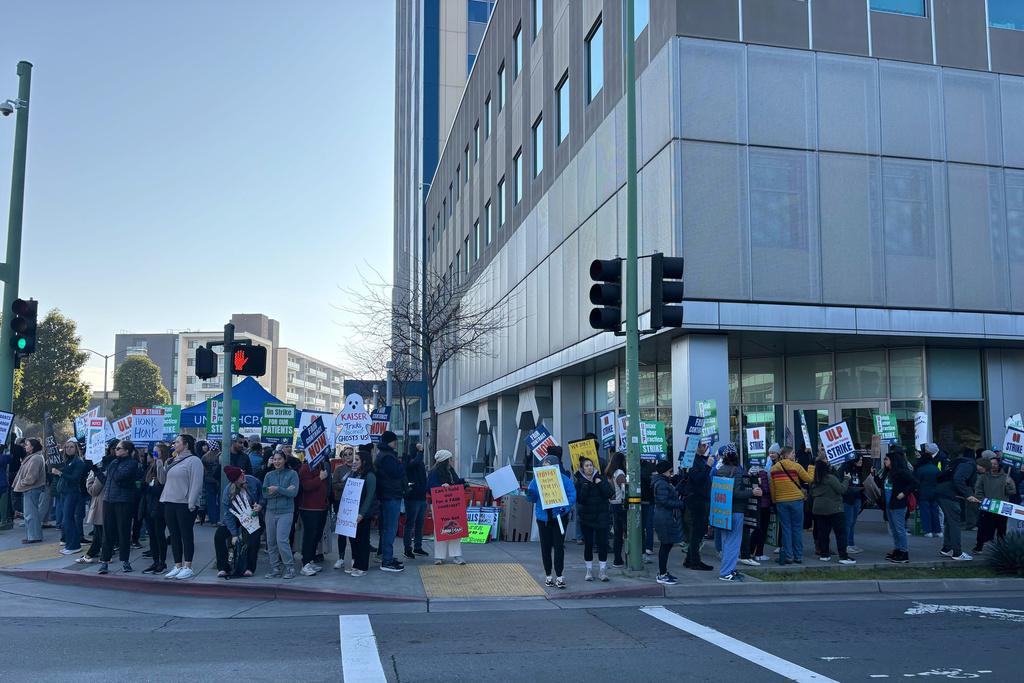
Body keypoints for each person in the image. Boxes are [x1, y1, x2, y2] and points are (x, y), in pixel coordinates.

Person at [526, 450, 576, 588]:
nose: (544, 466)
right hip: (543, 518)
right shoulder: (536, 480)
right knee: (545, 547)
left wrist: (564, 508)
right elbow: (532, 497)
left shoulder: (564, 479)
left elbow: (572, 495)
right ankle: (548, 575)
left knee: (559, 546)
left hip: (559, 517)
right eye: (543, 464)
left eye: (547, 463)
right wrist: (529, 493)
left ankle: (559, 575)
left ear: (554, 465)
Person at [160, 434, 204, 580]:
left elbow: (196, 482)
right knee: (174, 535)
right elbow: (162, 479)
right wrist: (160, 464)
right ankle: (177, 565)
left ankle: (188, 566)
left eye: (177, 442)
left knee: (186, 535)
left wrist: (191, 502)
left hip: (184, 503)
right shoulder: (171, 460)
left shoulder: (194, 461)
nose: (174, 444)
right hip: (169, 501)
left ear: (186, 444)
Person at [98, 440, 142, 574]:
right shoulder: (114, 462)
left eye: (118, 449)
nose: (115, 451)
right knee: (107, 531)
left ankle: (125, 561)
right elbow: (107, 481)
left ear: (126, 451)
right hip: (109, 499)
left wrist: (111, 466)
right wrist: (97, 470)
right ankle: (104, 560)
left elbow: (118, 477)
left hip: (123, 500)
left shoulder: (132, 463)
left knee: (123, 531)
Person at [214, 466, 265, 578]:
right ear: (235, 480)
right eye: (241, 476)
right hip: (236, 516)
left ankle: (249, 567)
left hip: (254, 514)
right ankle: (223, 567)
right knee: (219, 537)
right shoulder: (228, 492)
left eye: (243, 473)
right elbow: (229, 515)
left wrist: (260, 505)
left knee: (253, 540)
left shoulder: (252, 481)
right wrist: (234, 534)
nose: (244, 476)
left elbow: (263, 494)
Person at [714, 447, 755, 582]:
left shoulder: (720, 470)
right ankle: (727, 571)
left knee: (726, 541)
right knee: (733, 542)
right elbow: (737, 493)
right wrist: (752, 493)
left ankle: (728, 569)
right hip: (736, 510)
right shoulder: (736, 471)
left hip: (723, 510)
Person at [873, 447, 918, 564]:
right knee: (893, 529)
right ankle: (897, 549)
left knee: (899, 529)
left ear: (893, 461)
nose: (885, 461)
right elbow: (879, 484)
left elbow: (914, 482)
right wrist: (876, 474)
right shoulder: (888, 473)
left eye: (886, 459)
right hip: (889, 504)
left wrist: (903, 493)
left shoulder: (901, 472)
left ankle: (904, 552)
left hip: (898, 504)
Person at [935, 449, 981, 561]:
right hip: (949, 495)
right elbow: (959, 479)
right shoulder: (969, 465)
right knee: (955, 523)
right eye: (985, 469)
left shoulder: (963, 463)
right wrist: (968, 495)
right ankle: (957, 553)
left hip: (943, 492)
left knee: (950, 522)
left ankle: (947, 548)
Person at [769, 445, 813, 563]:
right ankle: (798, 556)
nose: (794, 455)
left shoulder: (773, 469)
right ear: (787, 455)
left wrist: (774, 501)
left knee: (786, 529)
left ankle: (788, 555)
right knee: (797, 529)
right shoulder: (796, 466)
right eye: (792, 453)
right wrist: (811, 466)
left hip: (781, 502)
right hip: (796, 500)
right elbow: (809, 479)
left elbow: (772, 488)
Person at [573, 456, 614, 581]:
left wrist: (600, 484)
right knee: (588, 544)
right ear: (582, 469)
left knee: (602, 543)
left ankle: (602, 570)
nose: (589, 468)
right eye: (586, 466)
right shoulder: (579, 482)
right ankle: (589, 570)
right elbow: (580, 500)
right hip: (586, 517)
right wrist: (585, 487)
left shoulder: (600, 478)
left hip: (602, 516)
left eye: (591, 465)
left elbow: (609, 493)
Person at [810, 458, 855, 564]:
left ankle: (824, 554)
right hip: (834, 509)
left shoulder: (814, 480)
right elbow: (841, 489)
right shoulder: (830, 478)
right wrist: (847, 479)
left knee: (823, 532)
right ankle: (843, 557)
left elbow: (812, 494)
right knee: (840, 533)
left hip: (818, 509)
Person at [373, 431, 407, 572]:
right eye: (394, 440)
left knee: (389, 528)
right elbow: (397, 472)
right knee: (390, 529)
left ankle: (388, 557)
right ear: (389, 442)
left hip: (389, 494)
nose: (396, 443)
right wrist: (404, 461)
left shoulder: (383, 454)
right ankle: (387, 561)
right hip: (390, 495)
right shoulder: (386, 456)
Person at [263, 450, 299, 579]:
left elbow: (294, 493)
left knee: (282, 540)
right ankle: (275, 569)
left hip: (286, 512)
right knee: (271, 542)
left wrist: (277, 489)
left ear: (284, 460)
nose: (276, 462)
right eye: (274, 459)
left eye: (279, 459)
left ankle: (290, 568)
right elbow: (265, 493)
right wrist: (284, 491)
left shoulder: (292, 474)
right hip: (270, 511)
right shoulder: (268, 475)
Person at [427, 449, 467, 565]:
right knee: (441, 529)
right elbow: (429, 487)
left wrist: (463, 481)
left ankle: (456, 555)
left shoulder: (450, 470)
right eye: (449, 458)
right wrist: (440, 486)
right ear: (445, 460)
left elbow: (456, 483)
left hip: (451, 504)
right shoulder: (435, 472)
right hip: (440, 505)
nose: (451, 460)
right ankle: (439, 557)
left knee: (455, 528)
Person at [650, 459, 684, 585]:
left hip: (665, 516)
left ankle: (663, 572)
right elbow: (664, 502)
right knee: (666, 544)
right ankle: (662, 573)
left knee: (667, 544)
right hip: (665, 517)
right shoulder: (662, 484)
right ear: (664, 471)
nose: (671, 472)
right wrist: (680, 503)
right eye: (669, 470)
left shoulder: (661, 483)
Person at [973, 453, 1016, 554]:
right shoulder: (983, 477)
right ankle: (979, 546)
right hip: (987, 506)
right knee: (983, 527)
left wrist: (1008, 483)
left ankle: (1001, 548)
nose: (993, 466)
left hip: (1001, 507)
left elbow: (1012, 492)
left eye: (995, 464)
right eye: (991, 464)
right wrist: (983, 501)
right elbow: (978, 490)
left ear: (999, 465)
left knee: (1001, 528)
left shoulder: (1006, 477)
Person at [681, 444, 714, 571]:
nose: (703, 447)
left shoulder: (700, 459)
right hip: (696, 498)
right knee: (697, 529)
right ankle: (694, 560)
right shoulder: (691, 460)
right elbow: (698, 478)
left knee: (701, 528)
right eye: (701, 445)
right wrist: (708, 466)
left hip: (702, 498)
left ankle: (690, 557)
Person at [297, 456, 330, 576]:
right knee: (310, 536)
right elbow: (306, 486)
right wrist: (320, 478)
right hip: (309, 508)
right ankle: (305, 563)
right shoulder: (306, 468)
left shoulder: (322, 467)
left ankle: (310, 560)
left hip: (321, 507)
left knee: (317, 536)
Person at [348, 448, 378, 577]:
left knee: (363, 540)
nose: (355, 462)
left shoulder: (370, 475)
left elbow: (369, 496)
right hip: (354, 511)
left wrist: (362, 513)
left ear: (364, 461)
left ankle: (363, 566)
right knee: (354, 540)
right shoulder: (358, 473)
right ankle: (356, 564)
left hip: (364, 514)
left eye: (357, 460)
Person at [140, 444, 170, 575]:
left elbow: (163, 486)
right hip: (148, 505)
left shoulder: (165, 466)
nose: (153, 454)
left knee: (159, 535)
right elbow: (144, 483)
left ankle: (162, 562)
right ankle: (155, 561)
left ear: (162, 453)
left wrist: (151, 489)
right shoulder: (150, 468)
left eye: (156, 451)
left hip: (159, 506)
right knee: (152, 535)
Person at [55, 439, 86, 555]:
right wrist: (55, 472)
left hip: (72, 492)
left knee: (68, 519)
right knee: (66, 519)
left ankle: (74, 545)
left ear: (76, 448)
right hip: (64, 492)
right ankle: (70, 543)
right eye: (67, 447)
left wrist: (60, 473)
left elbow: (74, 478)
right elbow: (62, 477)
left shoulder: (78, 462)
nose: (69, 449)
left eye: (71, 447)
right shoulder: (67, 461)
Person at [12, 438, 46, 544]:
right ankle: (32, 535)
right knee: (30, 513)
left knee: (31, 514)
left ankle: (34, 536)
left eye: (27, 444)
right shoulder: (34, 457)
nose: (25, 446)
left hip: (31, 488)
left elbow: (31, 477)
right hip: (30, 488)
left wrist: (22, 483)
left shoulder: (35, 458)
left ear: (33, 447)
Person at [76, 458, 107, 565]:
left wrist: (89, 479)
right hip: (103, 504)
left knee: (100, 531)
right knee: (99, 533)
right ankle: (93, 553)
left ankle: (102, 555)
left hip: (100, 504)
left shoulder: (101, 473)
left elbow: (93, 490)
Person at [403, 442, 428, 560]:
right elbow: (416, 462)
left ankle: (418, 546)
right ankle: (407, 548)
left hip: (421, 496)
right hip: (412, 497)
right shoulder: (409, 461)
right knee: (410, 523)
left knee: (420, 523)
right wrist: (421, 451)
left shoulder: (419, 462)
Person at [837, 454, 866, 554]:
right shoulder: (844, 469)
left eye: (862, 460)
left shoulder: (858, 470)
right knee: (848, 522)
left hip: (857, 497)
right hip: (847, 499)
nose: (861, 461)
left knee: (852, 522)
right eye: (859, 459)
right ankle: (846, 544)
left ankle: (851, 543)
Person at [331, 446, 354, 570]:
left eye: (350, 453)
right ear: (343, 456)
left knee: (354, 532)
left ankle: (355, 556)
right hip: (341, 501)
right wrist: (348, 484)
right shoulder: (339, 469)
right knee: (342, 532)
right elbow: (334, 485)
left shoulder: (358, 468)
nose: (348, 456)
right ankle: (341, 557)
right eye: (346, 454)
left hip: (355, 502)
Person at [604, 450, 627, 568]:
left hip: (613, 504)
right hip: (620, 504)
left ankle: (617, 559)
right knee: (628, 532)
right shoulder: (619, 473)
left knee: (618, 534)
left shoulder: (610, 472)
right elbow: (624, 488)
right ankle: (630, 558)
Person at [748, 459, 772, 562]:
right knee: (762, 529)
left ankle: (750, 550)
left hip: (754, 504)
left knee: (756, 529)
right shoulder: (763, 473)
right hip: (764, 504)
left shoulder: (750, 472)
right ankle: (759, 553)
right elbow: (766, 489)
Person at [914, 450, 941, 538]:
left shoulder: (920, 469)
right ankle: (938, 531)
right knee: (935, 512)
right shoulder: (935, 468)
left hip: (923, 493)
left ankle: (928, 530)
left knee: (925, 513)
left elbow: (916, 482)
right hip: (935, 492)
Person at [201, 445, 221, 527]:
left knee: (210, 501)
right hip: (218, 480)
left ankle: (213, 521)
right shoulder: (220, 456)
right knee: (220, 500)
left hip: (208, 480)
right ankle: (220, 519)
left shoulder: (204, 457)